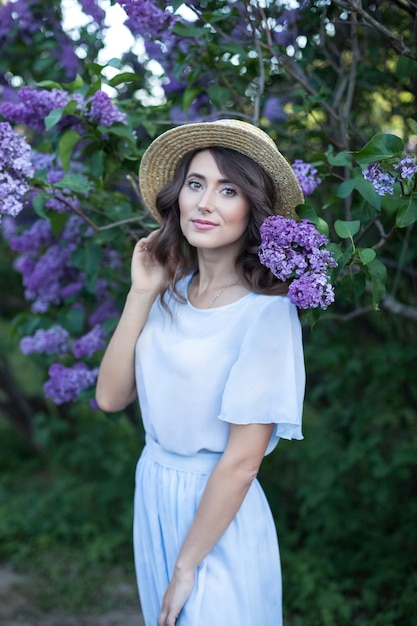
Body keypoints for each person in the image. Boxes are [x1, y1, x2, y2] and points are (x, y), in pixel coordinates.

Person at [96, 119, 306, 626]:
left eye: (227, 190)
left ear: (251, 209)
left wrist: (188, 564)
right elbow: (110, 398)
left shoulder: (266, 314)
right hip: (154, 491)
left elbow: (242, 462)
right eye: (196, 184)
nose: (205, 202)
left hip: (218, 511)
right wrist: (141, 293)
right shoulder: (169, 293)